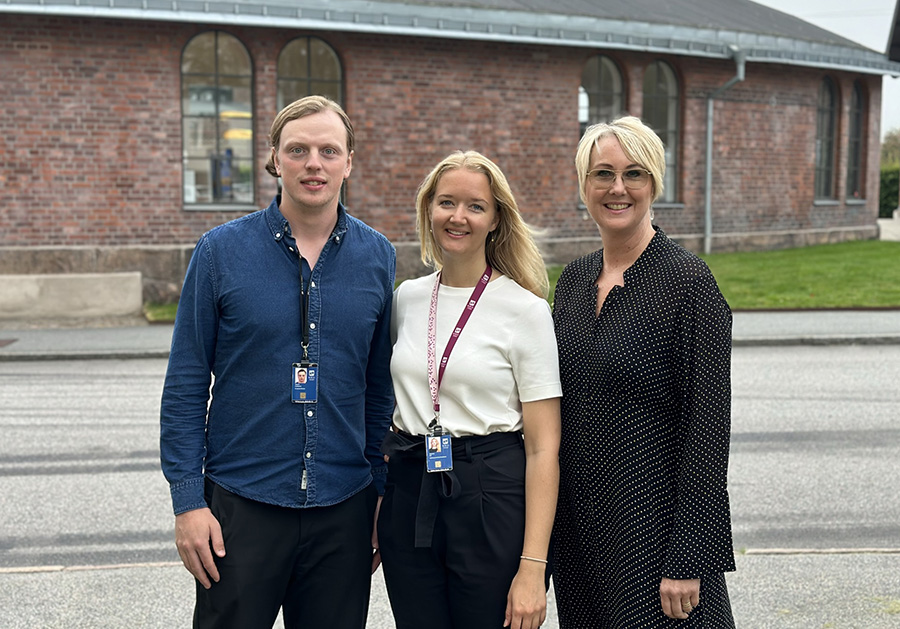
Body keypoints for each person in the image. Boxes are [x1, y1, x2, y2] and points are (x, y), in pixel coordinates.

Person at [159, 95, 395, 628]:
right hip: (241, 506)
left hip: (344, 507)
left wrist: (381, 491)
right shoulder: (219, 252)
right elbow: (186, 384)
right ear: (274, 158)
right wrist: (188, 502)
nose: (314, 164)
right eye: (298, 150)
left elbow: (379, 390)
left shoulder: (378, 257)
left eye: (328, 151)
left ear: (349, 162)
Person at [551, 116, 736, 627]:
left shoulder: (688, 284)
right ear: (584, 184)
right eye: (602, 174)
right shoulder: (573, 282)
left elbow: (707, 430)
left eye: (633, 174)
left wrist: (690, 557)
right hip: (581, 536)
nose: (617, 188)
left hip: (655, 539)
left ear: (655, 183)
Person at [378, 150, 561, 629]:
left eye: (475, 206)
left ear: (496, 219)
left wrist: (533, 567)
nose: (458, 217)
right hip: (411, 488)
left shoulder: (526, 311)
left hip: (489, 494)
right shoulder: (407, 298)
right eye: (446, 202)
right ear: (428, 210)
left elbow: (543, 448)